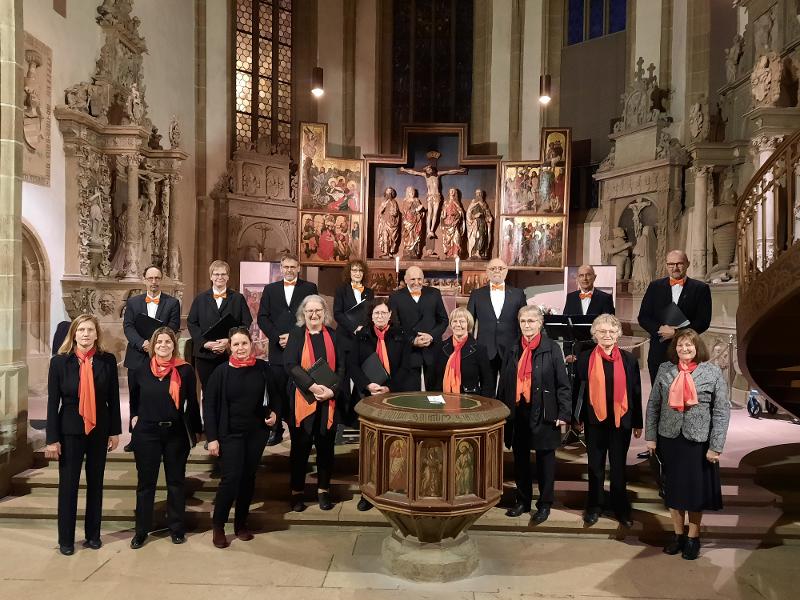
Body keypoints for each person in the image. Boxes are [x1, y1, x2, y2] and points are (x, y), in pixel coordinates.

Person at [645, 329, 730, 560]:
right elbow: (653, 405)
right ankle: (678, 535)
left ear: (697, 348)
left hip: (698, 441)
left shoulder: (712, 373)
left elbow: (721, 411)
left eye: (689, 346)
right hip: (669, 438)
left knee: (694, 492)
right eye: (680, 345)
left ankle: (693, 537)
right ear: (675, 349)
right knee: (673, 491)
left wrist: (716, 446)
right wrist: (650, 437)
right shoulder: (665, 370)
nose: (685, 349)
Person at [45, 314, 121, 556]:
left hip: (99, 429)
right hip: (69, 430)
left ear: (97, 334)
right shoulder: (59, 363)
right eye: (81, 330)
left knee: (95, 484)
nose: (86, 334)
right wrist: (52, 439)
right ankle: (66, 539)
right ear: (74, 334)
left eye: (90, 330)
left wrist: (115, 431)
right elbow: (52, 402)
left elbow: (113, 399)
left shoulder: (107, 361)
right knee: (69, 485)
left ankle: (93, 535)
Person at [204, 327, 278, 548]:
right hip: (230, 433)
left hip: (256, 433)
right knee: (231, 479)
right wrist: (212, 438)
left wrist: (275, 414)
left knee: (248, 478)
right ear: (230, 347)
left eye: (244, 343)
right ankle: (218, 526)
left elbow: (276, 397)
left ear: (251, 344)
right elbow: (209, 406)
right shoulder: (221, 372)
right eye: (235, 344)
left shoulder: (264, 369)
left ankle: (240, 524)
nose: (240, 348)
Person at [128, 327, 202, 549]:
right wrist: (133, 419)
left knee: (176, 483)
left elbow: (192, 402)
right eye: (159, 342)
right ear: (152, 345)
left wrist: (196, 432)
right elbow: (134, 401)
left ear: (174, 345)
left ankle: (176, 528)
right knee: (146, 484)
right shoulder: (140, 370)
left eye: (168, 342)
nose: (163, 345)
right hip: (147, 433)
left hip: (175, 433)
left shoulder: (185, 371)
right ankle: (141, 530)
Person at [498, 305, 571, 523]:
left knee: (545, 460)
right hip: (518, 411)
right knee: (520, 458)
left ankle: (545, 504)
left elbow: (563, 384)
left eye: (531, 321)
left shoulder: (552, 348)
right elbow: (504, 384)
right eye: (523, 321)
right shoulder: (512, 348)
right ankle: (522, 501)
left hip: (545, 410)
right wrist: (502, 411)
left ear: (540, 323)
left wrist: (564, 413)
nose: (527, 325)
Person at [575, 314, 642, 528]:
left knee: (618, 467)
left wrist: (638, 423)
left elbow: (636, 393)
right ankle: (594, 506)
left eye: (612, 331)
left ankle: (620, 508)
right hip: (594, 420)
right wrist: (576, 418)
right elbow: (579, 390)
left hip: (621, 420)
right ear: (595, 334)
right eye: (602, 331)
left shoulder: (629, 359)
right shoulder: (585, 358)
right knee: (595, 466)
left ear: (618, 335)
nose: (607, 335)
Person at [348, 298, 412, 510]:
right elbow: (353, 366)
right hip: (368, 397)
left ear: (390, 315)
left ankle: (394, 487)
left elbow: (405, 367)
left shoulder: (400, 336)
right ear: (371, 316)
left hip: (393, 397)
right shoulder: (362, 336)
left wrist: (389, 387)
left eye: (384, 313)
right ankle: (367, 493)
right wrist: (368, 385)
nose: (380, 317)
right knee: (370, 446)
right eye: (376, 314)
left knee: (394, 444)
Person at [284, 295, 344, 512]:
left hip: (328, 401)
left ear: (324, 313)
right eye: (309, 311)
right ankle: (297, 492)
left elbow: (341, 368)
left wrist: (331, 390)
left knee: (326, 448)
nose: (314, 314)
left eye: (318, 310)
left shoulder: (334, 336)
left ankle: (323, 491)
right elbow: (290, 364)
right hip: (303, 399)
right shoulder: (297, 334)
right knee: (300, 448)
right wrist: (312, 386)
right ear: (303, 313)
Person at [257, 253, 318, 445]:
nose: (289, 270)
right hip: (277, 348)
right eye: (286, 267)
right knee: (277, 389)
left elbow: (314, 314)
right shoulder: (270, 289)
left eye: (293, 267)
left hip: (301, 347)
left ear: (299, 268)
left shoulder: (309, 288)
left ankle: (302, 429)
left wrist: (294, 338)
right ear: (281, 268)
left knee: (301, 388)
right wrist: (277, 337)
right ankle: (277, 429)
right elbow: (262, 317)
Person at [122, 265, 181, 452]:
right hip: (138, 356)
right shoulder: (133, 302)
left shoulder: (172, 303)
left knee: (159, 396)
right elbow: (128, 327)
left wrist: (156, 345)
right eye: (150, 278)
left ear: (161, 279)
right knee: (135, 396)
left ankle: (160, 436)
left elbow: (173, 327)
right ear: (144, 279)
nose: (154, 282)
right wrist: (142, 343)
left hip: (162, 356)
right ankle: (135, 436)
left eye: (157, 278)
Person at [638, 250, 712, 383]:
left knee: (685, 396)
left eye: (679, 263)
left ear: (687, 264)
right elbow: (643, 317)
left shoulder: (701, 288)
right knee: (659, 396)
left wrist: (676, 333)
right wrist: (660, 329)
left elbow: (703, 321)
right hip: (658, 352)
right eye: (671, 264)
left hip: (687, 351)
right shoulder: (655, 286)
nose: (675, 267)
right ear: (666, 265)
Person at [187, 260, 253, 393]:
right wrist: (205, 343)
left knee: (230, 391)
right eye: (216, 274)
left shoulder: (238, 298)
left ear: (228, 277)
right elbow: (191, 323)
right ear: (211, 276)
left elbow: (246, 322)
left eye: (223, 274)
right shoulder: (200, 299)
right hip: (205, 355)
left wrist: (229, 342)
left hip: (230, 353)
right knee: (209, 392)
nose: (220, 277)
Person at [466, 258, 527, 387]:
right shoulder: (476, 294)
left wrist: (522, 346)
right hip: (485, 349)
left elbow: (524, 321)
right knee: (486, 391)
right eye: (493, 268)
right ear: (487, 272)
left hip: (511, 349)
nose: (497, 271)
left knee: (509, 389)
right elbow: (469, 323)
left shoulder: (518, 294)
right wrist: (471, 347)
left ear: (506, 271)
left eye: (500, 268)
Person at [389, 266, 448, 391]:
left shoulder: (434, 293)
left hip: (432, 349)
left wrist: (431, 336)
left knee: (435, 392)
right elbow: (394, 326)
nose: (417, 282)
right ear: (405, 280)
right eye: (413, 279)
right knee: (409, 393)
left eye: (420, 279)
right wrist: (412, 340)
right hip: (408, 350)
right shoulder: (395, 296)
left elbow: (443, 320)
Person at [333, 259, 374, 426]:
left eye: (360, 271)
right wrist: (353, 327)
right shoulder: (341, 290)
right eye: (354, 270)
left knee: (360, 378)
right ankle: (342, 418)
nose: (357, 273)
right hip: (344, 339)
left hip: (362, 340)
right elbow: (337, 313)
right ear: (349, 273)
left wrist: (363, 328)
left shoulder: (369, 292)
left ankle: (358, 416)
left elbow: (370, 313)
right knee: (342, 378)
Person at [433, 307, 494, 398]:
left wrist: (484, 404)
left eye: (462, 321)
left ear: (468, 324)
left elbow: (487, 382)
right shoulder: (441, 347)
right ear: (450, 324)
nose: (458, 324)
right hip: (443, 399)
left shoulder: (479, 349)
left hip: (471, 400)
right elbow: (433, 379)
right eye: (454, 321)